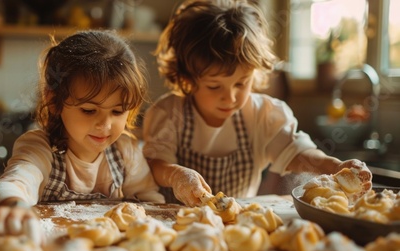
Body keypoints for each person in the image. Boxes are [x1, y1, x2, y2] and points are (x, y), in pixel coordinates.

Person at [142, 0, 372, 206]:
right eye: (214, 87)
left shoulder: (263, 114)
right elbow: (156, 164)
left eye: (241, 83)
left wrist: (335, 166)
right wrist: (176, 176)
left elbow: (298, 154)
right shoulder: (169, 114)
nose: (230, 97)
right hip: (175, 223)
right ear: (187, 78)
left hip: (238, 226)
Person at [0, 30, 165, 243]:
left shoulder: (126, 152)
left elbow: (151, 204)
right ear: (55, 100)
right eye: (88, 110)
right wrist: (13, 206)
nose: (105, 125)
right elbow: (12, 184)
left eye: (117, 111)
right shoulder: (40, 148)